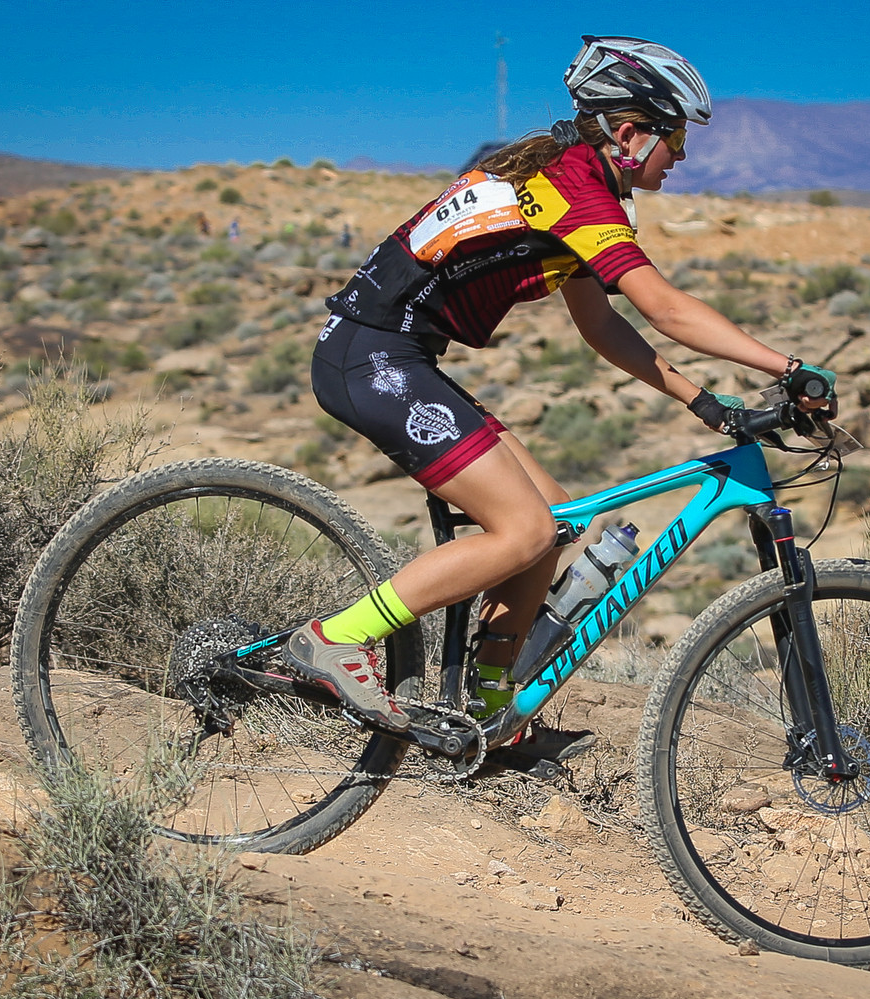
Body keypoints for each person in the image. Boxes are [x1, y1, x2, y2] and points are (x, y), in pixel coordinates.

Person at [285, 35, 832, 731]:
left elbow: (600, 326)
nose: (681, 155)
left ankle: (487, 709)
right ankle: (336, 639)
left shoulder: (572, 181)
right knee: (525, 530)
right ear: (628, 135)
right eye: (675, 138)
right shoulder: (575, 191)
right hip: (372, 357)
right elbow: (665, 309)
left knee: (557, 520)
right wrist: (789, 368)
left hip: (396, 354)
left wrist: (702, 401)